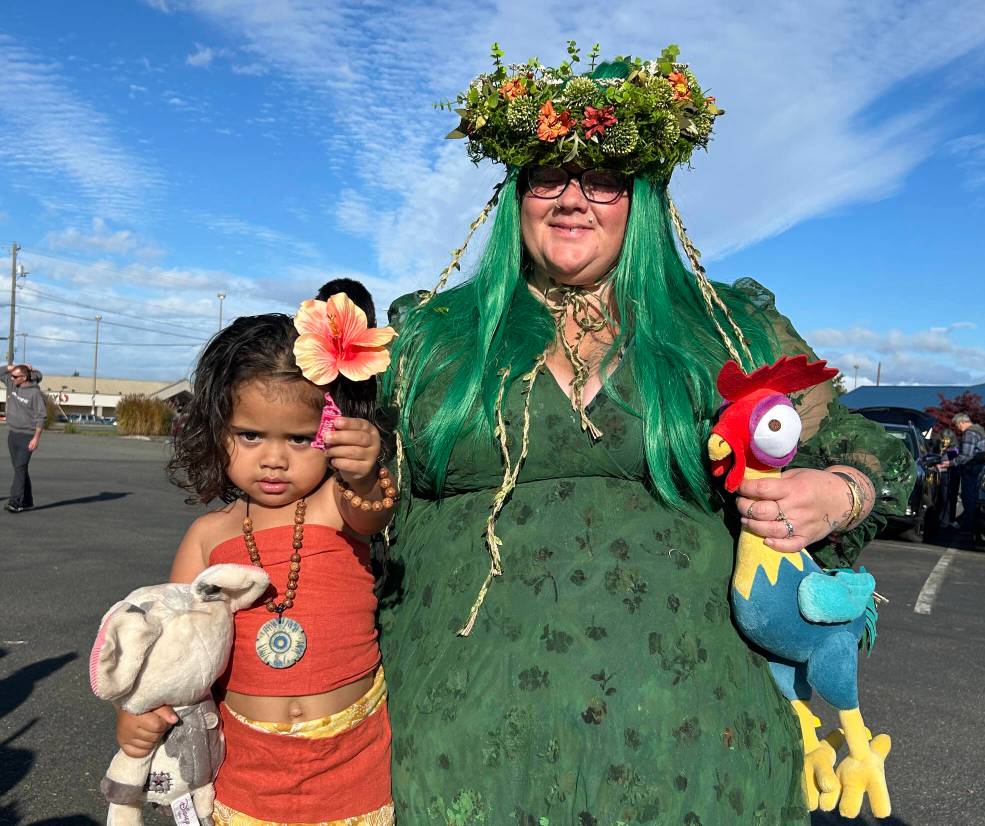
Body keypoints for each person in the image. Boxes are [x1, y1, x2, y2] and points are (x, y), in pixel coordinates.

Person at [378, 45, 913, 823]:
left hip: (697, 756)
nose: (571, 198)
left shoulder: (723, 328)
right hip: (458, 752)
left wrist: (840, 491)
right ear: (515, 195)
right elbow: (327, 485)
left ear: (644, 195)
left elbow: (870, 446)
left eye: (601, 177)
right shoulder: (434, 336)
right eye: (546, 174)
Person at [114, 304, 397, 824]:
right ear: (217, 430)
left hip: (354, 762)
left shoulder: (338, 502)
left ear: (332, 430)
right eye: (250, 435)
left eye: (299, 438)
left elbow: (373, 512)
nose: (274, 458)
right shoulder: (209, 534)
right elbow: (172, 648)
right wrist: (136, 713)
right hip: (246, 767)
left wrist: (363, 472)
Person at [3, 363, 46, 513]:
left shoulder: (35, 393)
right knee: (20, 469)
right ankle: (27, 500)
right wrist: (9, 368)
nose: (12, 378)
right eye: (12, 376)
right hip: (13, 434)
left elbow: (41, 417)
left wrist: (36, 438)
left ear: (24, 377)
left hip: (27, 436)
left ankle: (15, 502)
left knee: (20, 468)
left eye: (15, 376)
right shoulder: (11, 383)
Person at [940, 412, 985, 538]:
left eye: (956, 425)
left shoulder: (969, 433)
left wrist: (949, 463)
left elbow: (965, 456)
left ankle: (968, 527)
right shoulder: (979, 430)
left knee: (969, 498)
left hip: (971, 470)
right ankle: (971, 526)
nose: (957, 429)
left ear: (962, 422)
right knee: (973, 497)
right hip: (979, 468)